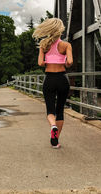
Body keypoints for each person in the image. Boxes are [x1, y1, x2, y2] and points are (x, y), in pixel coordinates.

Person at [32, 18, 73, 149]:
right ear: (60, 31)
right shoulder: (66, 45)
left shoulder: (44, 45)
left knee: (50, 109)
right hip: (62, 79)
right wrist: (63, 62)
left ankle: (52, 126)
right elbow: (70, 62)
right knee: (60, 109)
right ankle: (55, 141)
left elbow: (40, 63)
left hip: (49, 79)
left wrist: (48, 60)